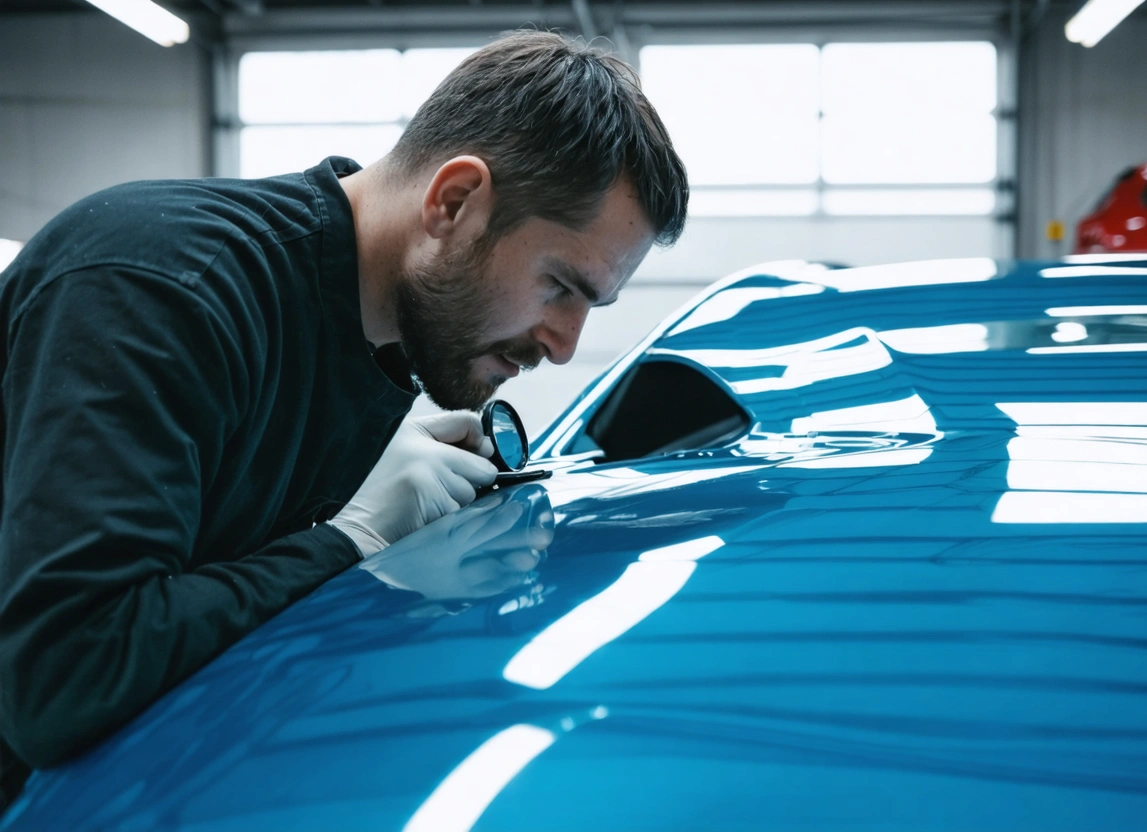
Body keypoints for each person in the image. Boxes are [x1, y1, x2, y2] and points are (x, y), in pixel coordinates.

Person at [0, 30, 687, 810]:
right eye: (560, 286)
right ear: (454, 201)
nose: (565, 347)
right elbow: (62, 676)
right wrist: (349, 543)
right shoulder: (161, 290)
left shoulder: (386, 340)